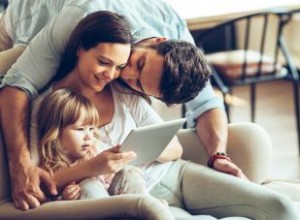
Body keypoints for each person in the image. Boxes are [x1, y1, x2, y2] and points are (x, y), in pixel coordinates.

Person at [26, 11, 299, 218]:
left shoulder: (123, 91)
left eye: (119, 66)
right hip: (129, 195)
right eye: (103, 62)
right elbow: (36, 178)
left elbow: (175, 149)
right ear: (79, 49)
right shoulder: (47, 104)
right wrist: (95, 166)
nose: (112, 74)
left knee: (281, 207)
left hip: (174, 175)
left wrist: (136, 150)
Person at [0, 0, 248, 212]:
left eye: (138, 84)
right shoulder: (84, 16)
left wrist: (218, 154)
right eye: (139, 63)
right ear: (157, 41)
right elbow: (17, 84)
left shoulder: (171, 25)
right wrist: (19, 164)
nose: (123, 73)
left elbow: (206, 104)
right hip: (24, 15)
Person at [36, 88, 165, 206]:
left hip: (113, 201)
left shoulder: (93, 152)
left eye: (91, 129)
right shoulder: (50, 165)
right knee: (89, 186)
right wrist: (64, 198)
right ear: (56, 132)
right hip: (95, 208)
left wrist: (114, 170)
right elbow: (47, 203)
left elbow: (111, 182)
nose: (88, 136)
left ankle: (148, 205)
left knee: (129, 172)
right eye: (80, 129)